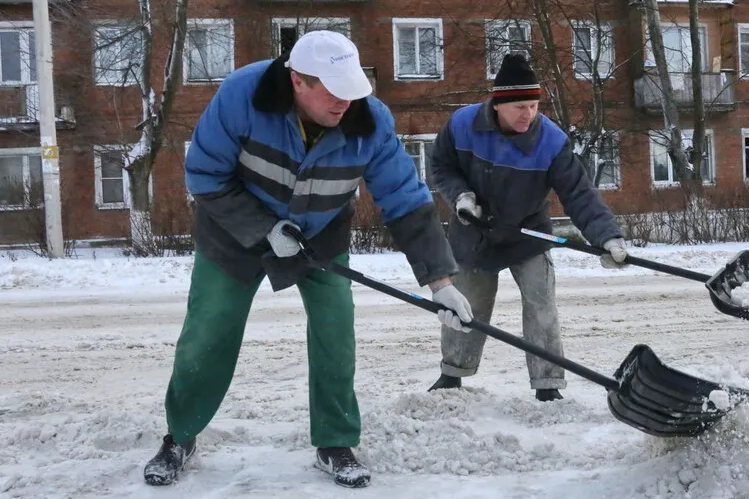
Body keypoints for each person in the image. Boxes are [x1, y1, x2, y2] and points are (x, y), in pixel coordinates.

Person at [142, 30, 474, 489]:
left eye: (351, 90)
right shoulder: (241, 97)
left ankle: (335, 441)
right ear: (298, 81)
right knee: (209, 332)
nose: (345, 103)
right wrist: (264, 228)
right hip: (233, 235)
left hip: (318, 235)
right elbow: (204, 175)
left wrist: (441, 283)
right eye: (334, 92)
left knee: (335, 332)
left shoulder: (370, 120)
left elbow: (405, 199)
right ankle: (179, 436)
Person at [426, 53, 628, 402]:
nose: (529, 114)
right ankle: (452, 374)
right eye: (520, 106)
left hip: (527, 234)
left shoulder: (551, 141)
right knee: (467, 304)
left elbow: (579, 193)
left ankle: (548, 384)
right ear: (498, 104)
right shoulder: (462, 124)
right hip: (473, 230)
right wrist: (461, 195)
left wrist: (607, 236)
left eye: (534, 106)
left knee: (541, 305)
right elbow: (441, 165)